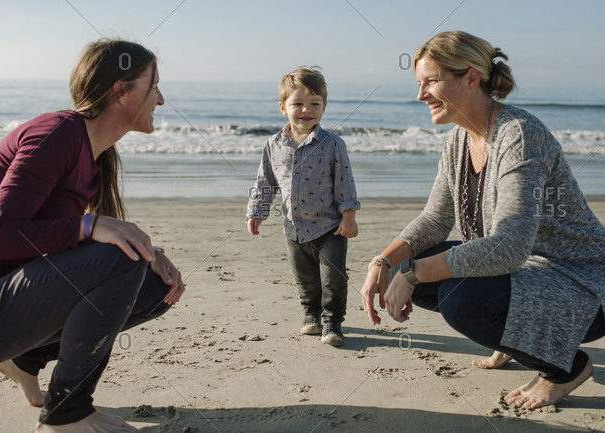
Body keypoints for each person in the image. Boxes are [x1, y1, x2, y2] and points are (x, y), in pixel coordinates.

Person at [360, 31, 605, 409]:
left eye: (431, 81)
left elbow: (508, 246)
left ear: (471, 78)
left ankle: (566, 370)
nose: (421, 94)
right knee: (412, 268)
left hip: (582, 281)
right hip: (529, 272)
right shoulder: (458, 140)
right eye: (419, 83)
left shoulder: (519, 134)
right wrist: (385, 261)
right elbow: (434, 219)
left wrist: (413, 274)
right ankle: (514, 341)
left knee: (461, 300)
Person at [0, 39, 186, 433]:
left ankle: (24, 363)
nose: (161, 100)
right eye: (154, 86)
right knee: (120, 260)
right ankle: (67, 415)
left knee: (153, 286)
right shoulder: (57, 133)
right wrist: (93, 225)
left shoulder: (92, 156)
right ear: (121, 90)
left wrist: (151, 251)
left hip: (4, 307)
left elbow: (58, 243)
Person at [246, 66, 360, 346]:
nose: (306, 110)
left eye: (314, 104)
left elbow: (345, 181)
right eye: (298, 103)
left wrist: (349, 215)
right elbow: (265, 181)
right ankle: (311, 314)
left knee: (332, 277)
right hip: (294, 226)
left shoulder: (333, 144)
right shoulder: (274, 144)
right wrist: (257, 212)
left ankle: (332, 321)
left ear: (324, 107)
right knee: (305, 277)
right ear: (283, 107)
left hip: (330, 226)